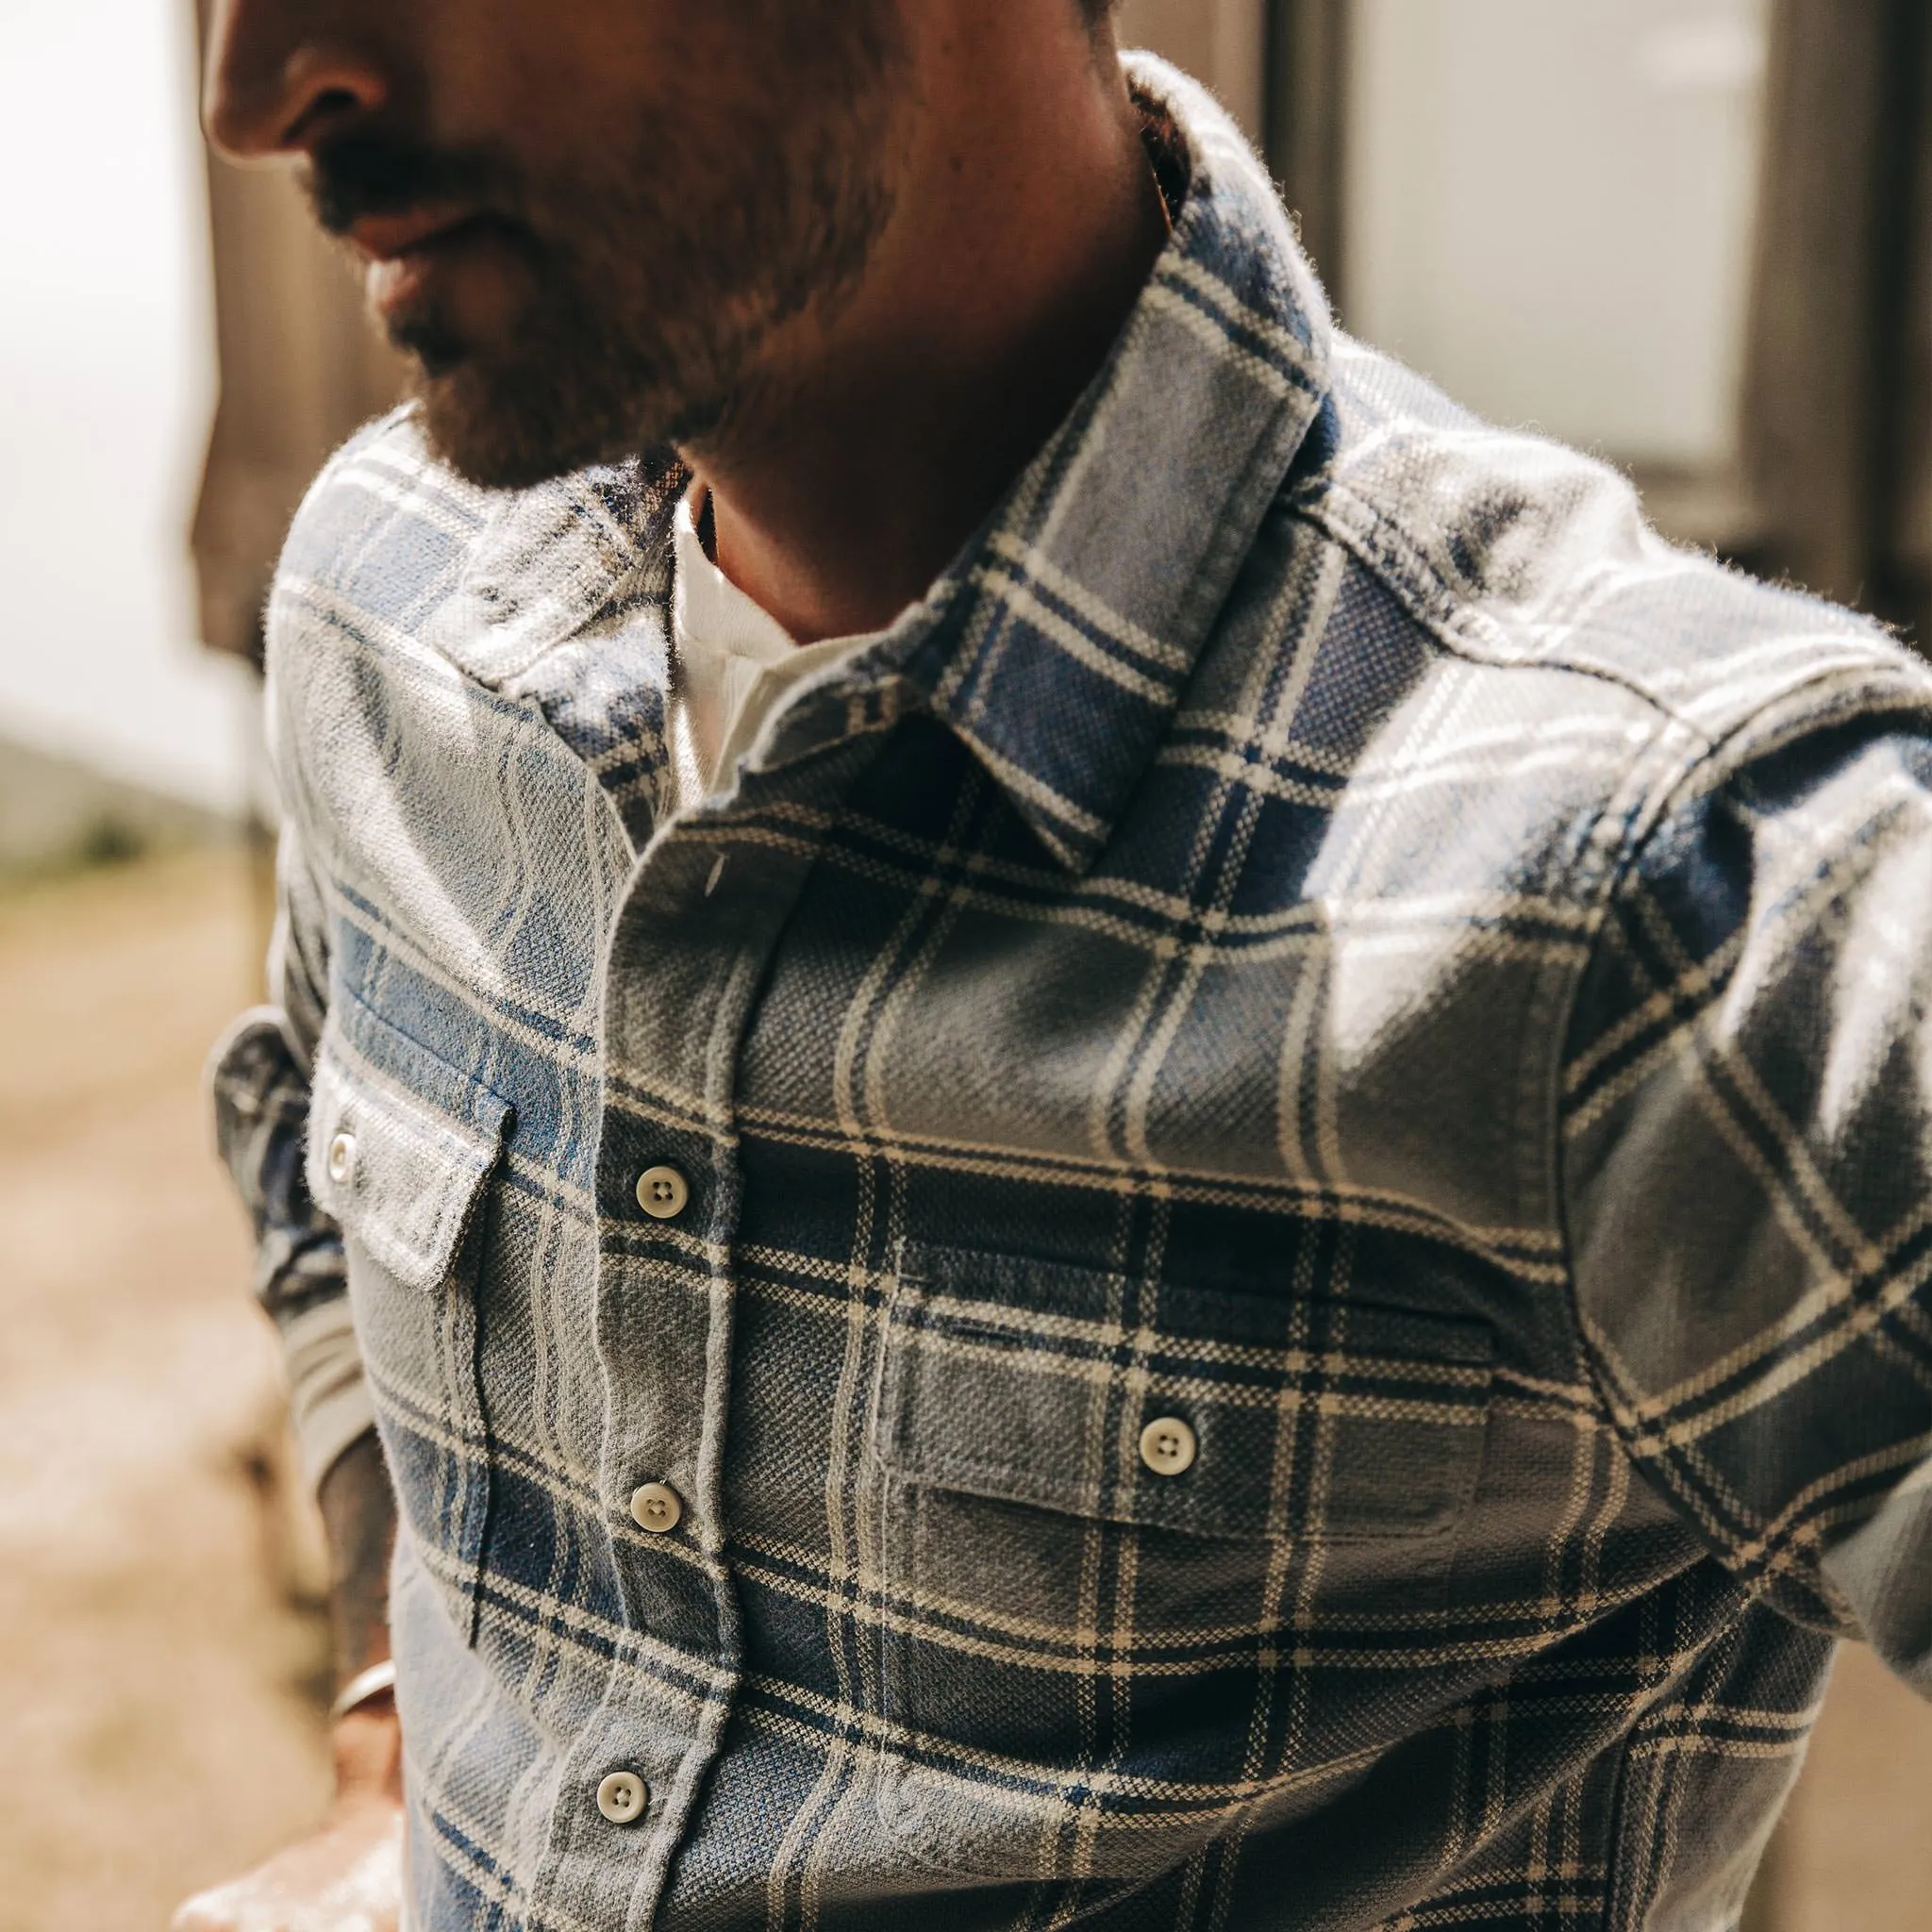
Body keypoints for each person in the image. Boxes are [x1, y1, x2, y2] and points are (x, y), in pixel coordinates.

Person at [176, 1, 1932, 1927]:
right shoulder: (385, 604)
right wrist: (390, 1758)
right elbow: (316, 1157)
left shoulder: (1666, 866)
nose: (262, 95)